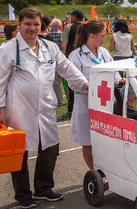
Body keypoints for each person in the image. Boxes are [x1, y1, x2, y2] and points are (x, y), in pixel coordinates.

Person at [0, 7, 88, 209]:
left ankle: (44, 189)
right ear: (19, 26)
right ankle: (23, 193)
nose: (32, 28)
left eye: (36, 24)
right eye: (27, 24)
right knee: (19, 153)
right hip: (18, 110)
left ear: (40, 26)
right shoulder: (7, 50)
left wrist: (86, 84)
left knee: (50, 148)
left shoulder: (49, 48)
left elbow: (67, 69)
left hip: (45, 108)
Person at [69, 21, 122, 170]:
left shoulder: (104, 52)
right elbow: (72, 81)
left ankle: (106, 169)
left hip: (105, 103)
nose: (104, 38)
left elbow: (114, 71)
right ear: (92, 36)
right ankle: (94, 171)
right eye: (103, 35)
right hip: (85, 103)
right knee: (88, 141)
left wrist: (120, 80)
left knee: (105, 139)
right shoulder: (76, 55)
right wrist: (88, 85)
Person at [61, 9, 84, 118]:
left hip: (71, 56)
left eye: (72, 16)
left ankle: (71, 109)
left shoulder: (68, 27)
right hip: (84, 56)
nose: (70, 18)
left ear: (75, 17)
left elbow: (64, 44)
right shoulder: (85, 27)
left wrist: (62, 58)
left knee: (72, 83)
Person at [45, 19, 64, 106]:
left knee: (56, 82)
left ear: (51, 26)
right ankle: (69, 98)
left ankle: (59, 100)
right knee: (66, 81)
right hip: (62, 58)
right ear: (60, 26)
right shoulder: (62, 35)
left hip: (52, 60)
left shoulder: (47, 35)